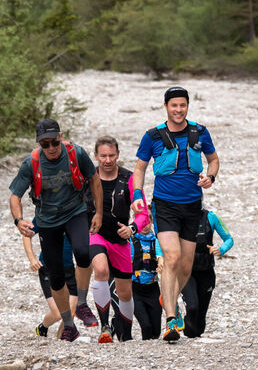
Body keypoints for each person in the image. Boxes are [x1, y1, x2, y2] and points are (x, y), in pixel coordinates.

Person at [132, 86, 219, 341]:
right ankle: (170, 319)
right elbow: (139, 170)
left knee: (185, 265)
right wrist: (138, 196)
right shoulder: (153, 136)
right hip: (165, 205)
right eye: (174, 106)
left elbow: (214, 160)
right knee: (171, 257)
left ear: (187, 107)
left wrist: (210, 177)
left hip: (192, 206)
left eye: (182, 105)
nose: (178, 110)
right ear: (166, 107)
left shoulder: (200, 132)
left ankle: (167, 295)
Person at [9, 118, 103, 342]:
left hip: (75, 212)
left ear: (60, 136)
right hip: (48, 220)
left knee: (82, 251)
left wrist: (98, 212)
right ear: (39, 144)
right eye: (45, 144)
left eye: (54, 142)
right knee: (56, 278)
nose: (51, 148)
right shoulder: (31, 162)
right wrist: (18, 220)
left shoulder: (76, 153)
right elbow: (15, 196)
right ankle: (69, 325)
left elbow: (94, 180)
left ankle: (81, 303)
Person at [89, 135, 149, 343]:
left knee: (125, 293)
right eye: (103, 156)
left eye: (111, 155)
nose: (107, 160)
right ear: (96, 156)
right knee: (102, 270)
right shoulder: (89, 178)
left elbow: (143, 214)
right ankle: (104, 326)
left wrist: (132, 228)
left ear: (118, 155)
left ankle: (125, 333)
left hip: (120, 239)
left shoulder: (129, 178)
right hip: (95, 235)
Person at [110, 207, 164, 340]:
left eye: (149, 220)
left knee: (156, 332)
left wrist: (161, 262)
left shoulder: (156, 240)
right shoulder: (129, 241)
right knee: (146, 327)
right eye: (143, 221)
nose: (146, 224)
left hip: (153, 289)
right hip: (135, 289)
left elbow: (159, 254)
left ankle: (116, 322)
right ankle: (118, 323)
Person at [181, 205, 233, 338]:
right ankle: (187, 332)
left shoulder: (211, 216)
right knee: (192, 308)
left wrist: (220, 250)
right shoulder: (178, 216)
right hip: (186, 272)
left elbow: (229, 239)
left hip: (206, 271)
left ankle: (194, 342)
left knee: (201, 317)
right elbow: (161, 238)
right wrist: (161, 257)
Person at [22, 218, 78, 339]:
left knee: (71, 313)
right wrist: (32, 259)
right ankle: (42, 327)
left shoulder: (76, 213)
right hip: (48, 267)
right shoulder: (46, 212)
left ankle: (62, 344)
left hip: (68, 268)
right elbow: (26, 235)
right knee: (58, 313)